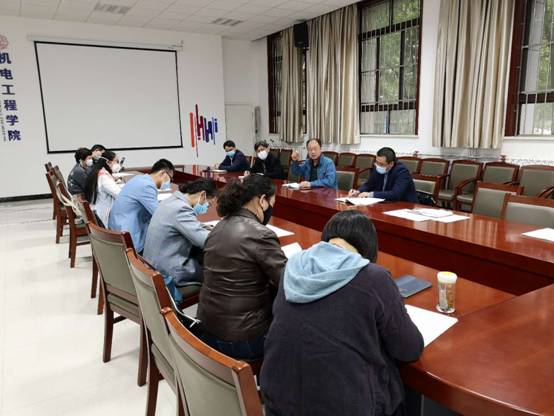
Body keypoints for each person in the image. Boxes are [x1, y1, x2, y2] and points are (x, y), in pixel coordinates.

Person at [261, 210, 424, 416]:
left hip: (278, 403)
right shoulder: (374, 278)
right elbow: (409, 349)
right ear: (369, 249)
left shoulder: (291, 267)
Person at [197, 174, 287, 360]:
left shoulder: (218, 227)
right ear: (262, 200)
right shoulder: (260, 234)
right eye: (272, 203)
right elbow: (288, 283)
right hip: (242, 340)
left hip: (207, 329)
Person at [143, 179, 217, 303]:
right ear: (202, 195)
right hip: (168, 272)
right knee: (217, 272)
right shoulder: (181, 209)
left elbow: (189, 224)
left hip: (152, 265)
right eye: (208, 204)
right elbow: (205, 241)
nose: (207, 208)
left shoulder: (171, 200)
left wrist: (204, 228)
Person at [108, 159, 175, 253]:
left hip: (117, 229)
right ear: (163, 173)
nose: (169, 182)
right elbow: (159, 214)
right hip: (128, 237)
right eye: (170, 178)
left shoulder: (139, 179)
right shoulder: (147, 186)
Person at [348, 147, 418, 203]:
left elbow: (396, 194)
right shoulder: (377, 167)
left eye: (381, 164)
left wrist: (370, 194)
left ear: (391, 164)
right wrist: (358, 191)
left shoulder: (402, 171)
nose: (378, 165)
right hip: (384, 203)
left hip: (405, 205)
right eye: (376, 162)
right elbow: (369, 184)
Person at [84, 150, 121, 227]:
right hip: (102, 216)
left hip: (97, 211)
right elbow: (119, 194)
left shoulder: (98, 171)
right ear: (108, 162)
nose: (118, 164)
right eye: (116, 161)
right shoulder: (103, 177)